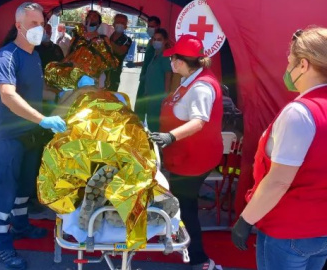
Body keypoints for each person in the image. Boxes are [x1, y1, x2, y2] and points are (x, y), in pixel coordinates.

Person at [231, 27, 327, 270]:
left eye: (289, 63)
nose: (287, 70)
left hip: (289, 230)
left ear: (303, 65)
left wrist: (245, 220)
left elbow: (278, 181)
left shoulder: (300, 113)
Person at [0, 2, 67, 269]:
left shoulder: (33, 55)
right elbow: (9, 96)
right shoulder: (6, 56)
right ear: (19, 25)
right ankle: (1, 244)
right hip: (10, 137)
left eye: (42, 23)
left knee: (24, 187)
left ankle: (20, 226)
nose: (39, 28)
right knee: (5, 190)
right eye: (33, 23)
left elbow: (34, 91)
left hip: (30, 135)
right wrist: (44, 119)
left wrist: (66, 95)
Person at [149, 34, 223, 270]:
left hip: (194, 159)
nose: (171, 62)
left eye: (173, 59)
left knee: (186, 206)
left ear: (181, 62)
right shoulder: (190, 79)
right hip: (183, 156)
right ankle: (179, 240)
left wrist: (170, 136)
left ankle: (200, 259)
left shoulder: (201, 86)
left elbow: (199, 121)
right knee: (180, 202)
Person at [137, 28, 172, 132]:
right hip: (150, 96)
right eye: (155, 39)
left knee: (155, 125)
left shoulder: (165, 57)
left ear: (165, 41)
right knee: (151, 123)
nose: (156, 41)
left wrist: (165, 96)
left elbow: (168, 76)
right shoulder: (155, 55)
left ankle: (157, 147)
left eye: (159, 39)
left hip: (158, 98)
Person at [134, 16, 161, 116]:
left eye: (152, 26)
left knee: (149, 109)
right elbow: (147, 61)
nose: (150, 28)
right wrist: (134, 64)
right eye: (148, 26)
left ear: (158, 26)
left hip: (153, 80)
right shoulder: (150, 42)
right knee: (139, 107)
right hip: (144, 77)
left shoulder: (160, 44)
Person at [106, 14, 132, 91]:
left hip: (115, 72)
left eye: (123, 23)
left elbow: (121, 51)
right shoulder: (107, 35)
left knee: (111, 94)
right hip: (102, 70)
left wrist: (107, 41)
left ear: (126, 26)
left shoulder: (127, 40)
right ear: (113, 24)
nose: (120, 24)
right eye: (118, 22)